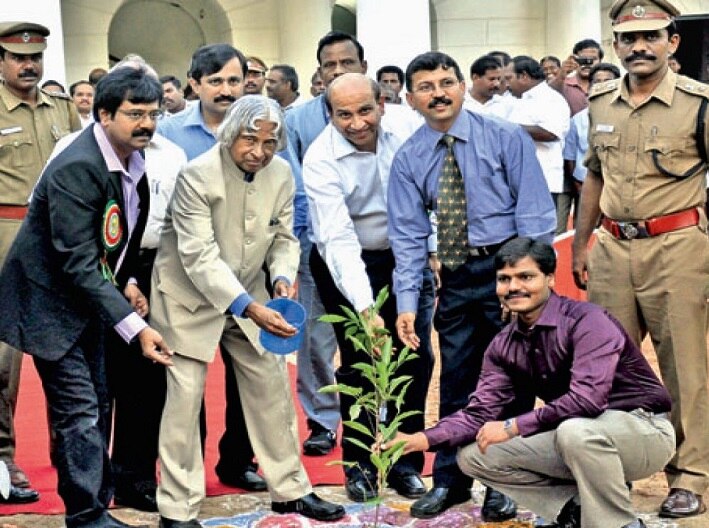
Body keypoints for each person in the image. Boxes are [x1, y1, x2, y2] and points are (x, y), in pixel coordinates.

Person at [150, 95, 345, 528]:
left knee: (273, 390)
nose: (259, 151)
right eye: (249, 139)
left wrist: (281, 278)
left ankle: (291, 492)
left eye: (269, 142)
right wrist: (249, 306)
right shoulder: (196, 175)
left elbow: (284, 237)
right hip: (187, 299)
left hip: (254, 295)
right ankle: (177, 510)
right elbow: (198, 255)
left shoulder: (280, 174)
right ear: (228, 133)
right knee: (184, 402)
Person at [389, 237, 675, 528]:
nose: (514, 287)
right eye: (504, 279)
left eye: (526, 277)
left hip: (644, 432)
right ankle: (572, 512)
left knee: (573, 431)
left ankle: (619, 524)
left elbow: (588, 400)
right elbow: (478, 414)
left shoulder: (588, 321)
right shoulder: (504, 344)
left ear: (550, 278)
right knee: (475, 456)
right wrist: (420, 439)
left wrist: (513, 426)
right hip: (579, 437)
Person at [0, 65, 173, 527]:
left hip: (92, 301)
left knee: (95, 403)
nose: (147, 123)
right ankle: (86, 514)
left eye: (153, 113)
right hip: (49, 305)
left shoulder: (131, 158)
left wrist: (129, 283)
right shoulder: (78, 166)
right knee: (78, 409)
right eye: (135, 113)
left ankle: (95, 502)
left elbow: (118, 241)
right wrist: (137, 329)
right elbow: (76, 262)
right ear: (103, 114)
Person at [388, 51, 556, 520]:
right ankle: (450, 481)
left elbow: (535, 213)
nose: (438, 93)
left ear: (463, 86)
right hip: (458, 275)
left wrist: (525, 283)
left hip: (508, 265)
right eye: (426, 86)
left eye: (446, 82)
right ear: (410, 98)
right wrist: (406, 303)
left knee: (515, 381)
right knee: (458, 380)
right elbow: (407, 236)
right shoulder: (410, 157)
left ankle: (506, 483)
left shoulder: (504, 137)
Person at [573, 0, 709, 519]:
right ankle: (612, 471)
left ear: (672, 42)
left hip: (677, 249)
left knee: (685, 369)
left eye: (651, 37)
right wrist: (583, 243)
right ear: (616, 46)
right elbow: (593, 176)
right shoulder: (600, 101)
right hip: (611, 248)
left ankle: (691, 477)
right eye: (629, 39)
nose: (640, 47)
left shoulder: (698, 104)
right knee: (604, 367)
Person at [304, 73, 434, 502]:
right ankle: (359, 465)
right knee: (362, 360)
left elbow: (430, 193)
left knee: (414, 356)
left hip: (406, 253)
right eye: (344, 114)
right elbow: (337, 240)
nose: (357, 123)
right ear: (330, 114)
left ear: (382, 102)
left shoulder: (408, 129)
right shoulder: (321, 156)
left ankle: (404, 462)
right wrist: (365, 308)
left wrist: (429, 252)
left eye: (364, 110)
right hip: (346, 260)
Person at [157, 43, 265, 492]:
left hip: (247, 275)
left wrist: (282, 267)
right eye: (215, 81)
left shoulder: (264, 124)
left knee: (253, 372)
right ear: (194, 83)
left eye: (233, 81)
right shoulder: (168, 135)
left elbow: (289, 194)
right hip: (187, 278)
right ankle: (188, 474)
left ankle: (238, 461)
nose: (225, 90)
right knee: (188, 383)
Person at [0, 20, 81, 505]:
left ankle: (71, 454)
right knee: (3, 363)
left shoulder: (65, 110)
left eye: (35, 57)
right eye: (17, 57)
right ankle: (5, 458)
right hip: (4, 237)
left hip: (55, 240)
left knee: (64, 347)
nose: (29, 65)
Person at [505, 56, 571, 235]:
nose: (506, 84)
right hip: (515, 181)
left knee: (537, 240)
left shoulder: (551, 99)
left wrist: (509, 129)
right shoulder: (519, 100)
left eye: (509, 78)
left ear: (524, 76)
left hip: (542, 182)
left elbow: (551, 133)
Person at [562, 63, 621, 224]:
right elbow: (570, 155)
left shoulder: (629, 116)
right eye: (597, 81)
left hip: (618, 190)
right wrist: (579, 185)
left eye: (607, 81)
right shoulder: (578, 119)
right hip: (586, 187)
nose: (602, 85)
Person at [549, 38, 604, 115]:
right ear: (574, 60)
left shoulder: (607, 84)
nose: (588, 63)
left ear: (600, 61)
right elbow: (547, 94)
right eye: (583, 59)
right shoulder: (562, 83)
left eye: (592, 59)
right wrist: (562, 74)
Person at [463, 54, 513, 119]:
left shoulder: (506, 104)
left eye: (498, 79)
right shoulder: (459, 103)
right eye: (492, 79)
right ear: (475, 78)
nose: (497, 84)